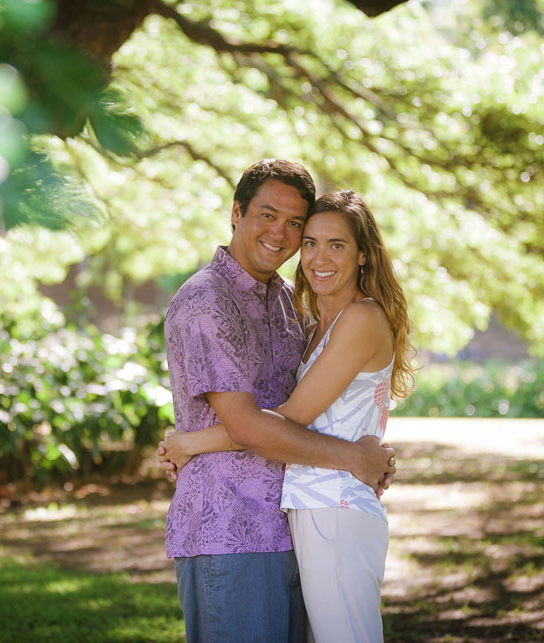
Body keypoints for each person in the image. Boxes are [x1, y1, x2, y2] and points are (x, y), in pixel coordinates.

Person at [161, 189, 415, 643]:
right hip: (305, 509)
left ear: (363, 255)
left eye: (337, 244)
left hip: (333, 507)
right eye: (312, 242)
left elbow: (290, 415)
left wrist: (190, 443)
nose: (319, 256)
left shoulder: (358, 318)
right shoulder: (311, 322)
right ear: (236, 213)